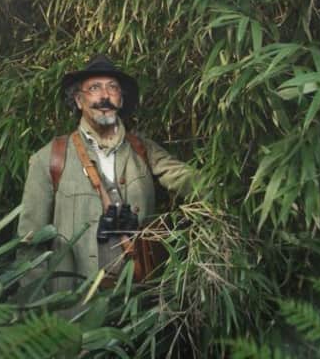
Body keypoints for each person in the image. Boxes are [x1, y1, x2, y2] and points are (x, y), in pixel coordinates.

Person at [16, 54, 193, 297]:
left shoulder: (142, 149)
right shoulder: (49, 158)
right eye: (94, 88)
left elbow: (184, 178)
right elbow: (31, 243)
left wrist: (228, 191)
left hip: (138, 298)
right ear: (79, 100)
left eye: (113, 87)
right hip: (76, 303)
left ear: (121, 99)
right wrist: (35, 305)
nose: (104, 96)